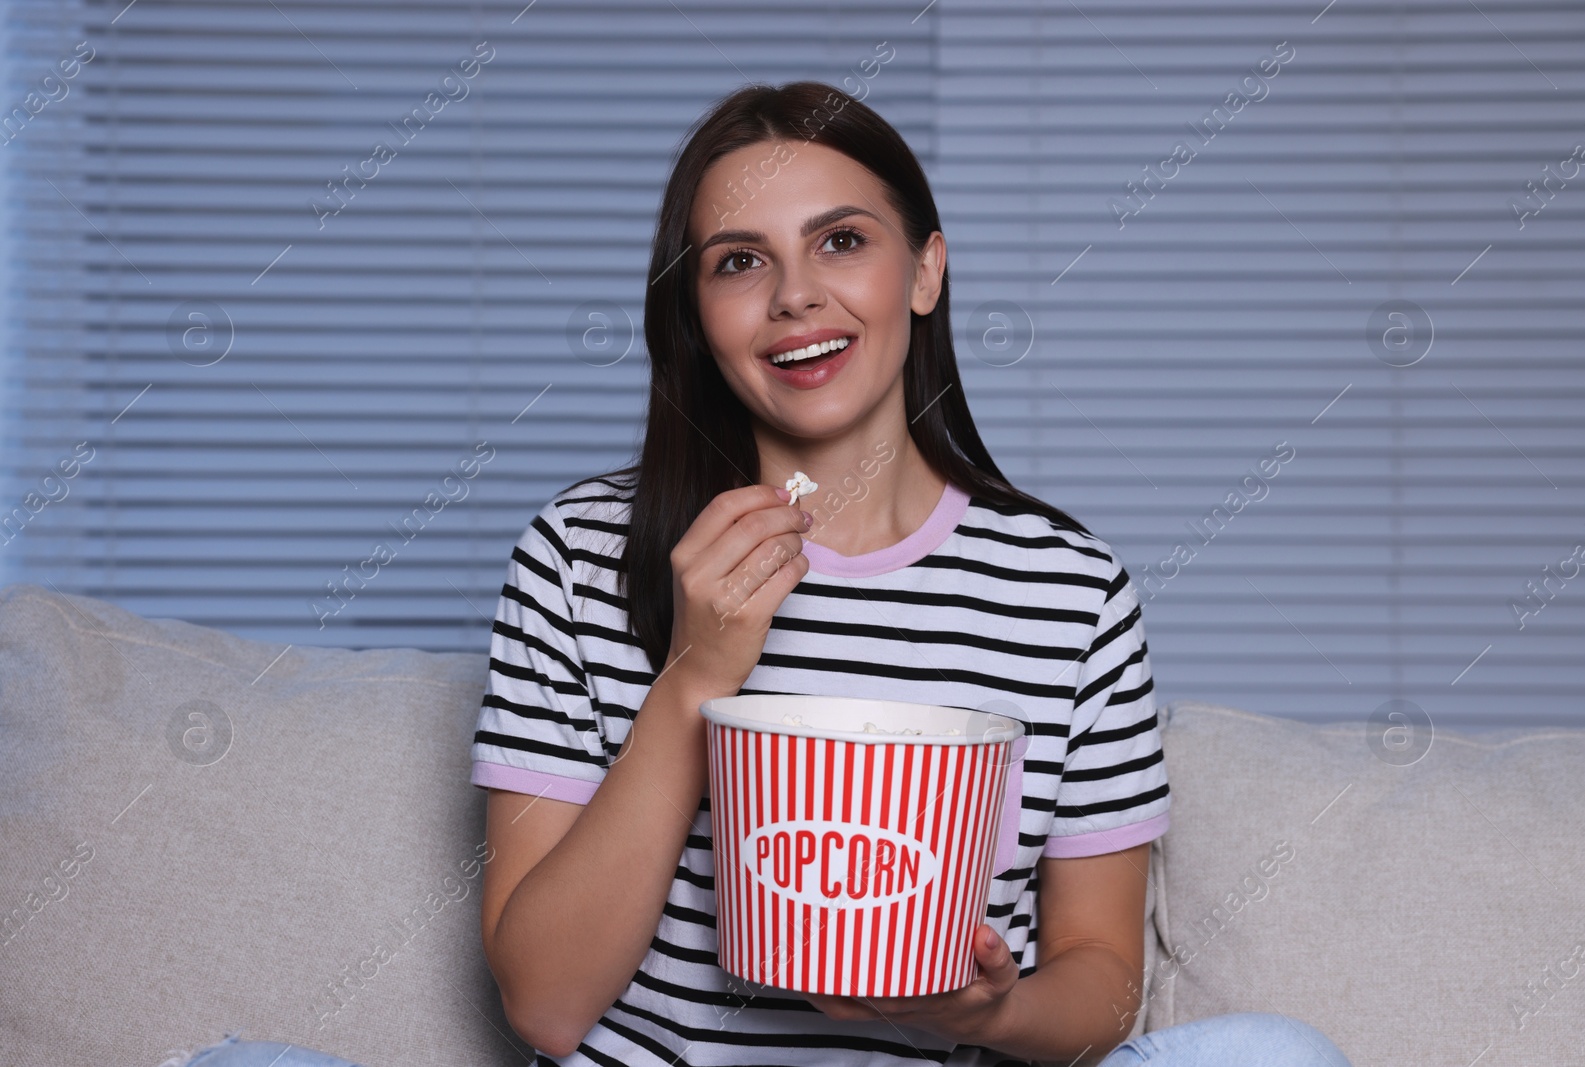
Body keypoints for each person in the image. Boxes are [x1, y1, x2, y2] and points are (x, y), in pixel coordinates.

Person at [174, 80, 1352, 1067]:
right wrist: (696, 673)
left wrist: (984, 1009)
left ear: (924, 271)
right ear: (697, 313)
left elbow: (1100, 977)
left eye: (842, 240)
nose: (796, 295)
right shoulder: (581, 552)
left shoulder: (1069, 586)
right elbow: (543, 1003)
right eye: (741, 261)